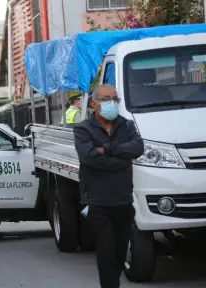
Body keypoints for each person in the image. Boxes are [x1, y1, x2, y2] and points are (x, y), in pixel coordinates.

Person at [73, 84, 144, 288]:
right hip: (96, 204)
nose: (112, 103)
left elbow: (138, 148)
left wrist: (108, 148)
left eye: (115, 98)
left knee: (119, 256)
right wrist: (121, 158)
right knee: (106, 254)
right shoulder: (83, 129)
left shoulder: (127, 126)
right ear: (94, 103)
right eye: (106, 99)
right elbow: (89, 158)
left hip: (123, 201)